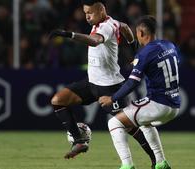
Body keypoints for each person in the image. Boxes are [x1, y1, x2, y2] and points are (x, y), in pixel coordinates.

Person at [49, 1, 157, 167]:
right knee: (58, 101)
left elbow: (94, 41)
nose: (87, 16)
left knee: (131, 127)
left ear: (100, 10)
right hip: (92, 83)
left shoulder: (106, 26)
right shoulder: (112, 23)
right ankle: (79, 140)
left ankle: (156, 158)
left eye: (90, 13)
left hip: (111, 86)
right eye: (85, 13)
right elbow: (125, 27)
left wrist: (69, 35)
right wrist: (133, 45)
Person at [99, 15, 181, 169]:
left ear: (141, 33)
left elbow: (132, 83)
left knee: (114, 122)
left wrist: (113, 98)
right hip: (175, 105)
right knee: (144, 123)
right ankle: (161, 163)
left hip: (158, 103)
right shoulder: (170, 45)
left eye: (137, 33)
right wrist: (140, 63)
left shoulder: (145, 53)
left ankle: (127, 165)